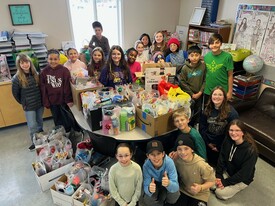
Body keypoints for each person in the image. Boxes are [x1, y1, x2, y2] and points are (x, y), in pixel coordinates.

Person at [215, 119, 258, 200]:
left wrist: (225, 182)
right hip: (228, 172)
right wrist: (219, 175)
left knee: (219, 193)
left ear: (243, 132)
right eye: (231, 130)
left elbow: (244, 174)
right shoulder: (227, 140)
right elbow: (222, 157)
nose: (233, 133)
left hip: (242, 179)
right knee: (212, 184)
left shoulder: (251, 151)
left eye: (237, 130)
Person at [40, 49, 80, 133]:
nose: (53, 61)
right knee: (57, 119)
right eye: (51, 59)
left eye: (55, 59)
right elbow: (43, 88)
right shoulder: (44, 72)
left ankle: (69, 132)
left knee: (67, 118)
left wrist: (68, 100)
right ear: (47, 59)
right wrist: (46, 101)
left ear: (59, 60)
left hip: (63, 100)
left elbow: (67, 87)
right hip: (52, 101)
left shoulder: (64, 70)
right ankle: (61, 133)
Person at [199, 86, 239, 166]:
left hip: (222, 145)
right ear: (211, 97)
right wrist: (208, 142)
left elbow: (233, 133)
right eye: (215, 94)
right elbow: (202, 127)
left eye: (220, 95)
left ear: (224, 97)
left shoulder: (232, 113)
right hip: (208, 143)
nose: (217, 97)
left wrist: (219, 146)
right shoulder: (206, 110)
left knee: (220, 165)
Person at [12, 53, 44, 151]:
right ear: (19, 65)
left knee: (39, 122)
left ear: (30, 62)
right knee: (32, 125)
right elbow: (16, 94)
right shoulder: (16, 78)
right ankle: (34, 142)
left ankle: (41, 139)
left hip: (39, 103)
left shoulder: (36, 74)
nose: (25, 65)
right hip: (28, 106)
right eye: (22, 63)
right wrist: (24, 102)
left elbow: (40, 88)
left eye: (27, 62)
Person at [173, 135, 215, 206]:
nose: (183, 152)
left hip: (200, 194)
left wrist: (200, 187)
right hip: (183, 190)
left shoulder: (202, 165)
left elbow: (212, 181)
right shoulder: (176, 160)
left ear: (192, 149)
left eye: (186, 149)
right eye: (179, 149)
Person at [143, 140, 180, 206]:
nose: (156, 157)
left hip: (167, 183)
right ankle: (160, 203)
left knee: (174, 197)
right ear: (147, 156)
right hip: (155, 184)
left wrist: (168, 183)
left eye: (158, 153)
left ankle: (166, 201)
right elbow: (146, 185)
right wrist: (149, 189)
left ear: (163, 154)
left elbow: (176, 185)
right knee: (147, 200)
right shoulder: (146, 166)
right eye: (152, 154)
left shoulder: (169, 162)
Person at [180, 45, 206, 126]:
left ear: (200, 56)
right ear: (188, 56)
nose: (194, 58)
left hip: (199, 94)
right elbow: (182, 82)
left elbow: (205, 80)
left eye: (197, 55)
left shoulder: (203, 66)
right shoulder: (185, 68)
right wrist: (192, 94)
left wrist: (200, 92)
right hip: (189, 94)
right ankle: (187, 125)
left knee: (198, 111)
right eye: (192, 55)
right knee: (188, 111)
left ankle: (196, 124)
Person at [204, 33, 234, 103]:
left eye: (217, 42)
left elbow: (230, 75)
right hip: (208, 91)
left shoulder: (227, 57)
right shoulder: (206, 56)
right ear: (209, 45)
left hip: (222, 91)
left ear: (221, 43)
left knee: (221, 112)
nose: (214, 45)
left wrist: (230, 92)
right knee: (207, 111)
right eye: (211, 43)